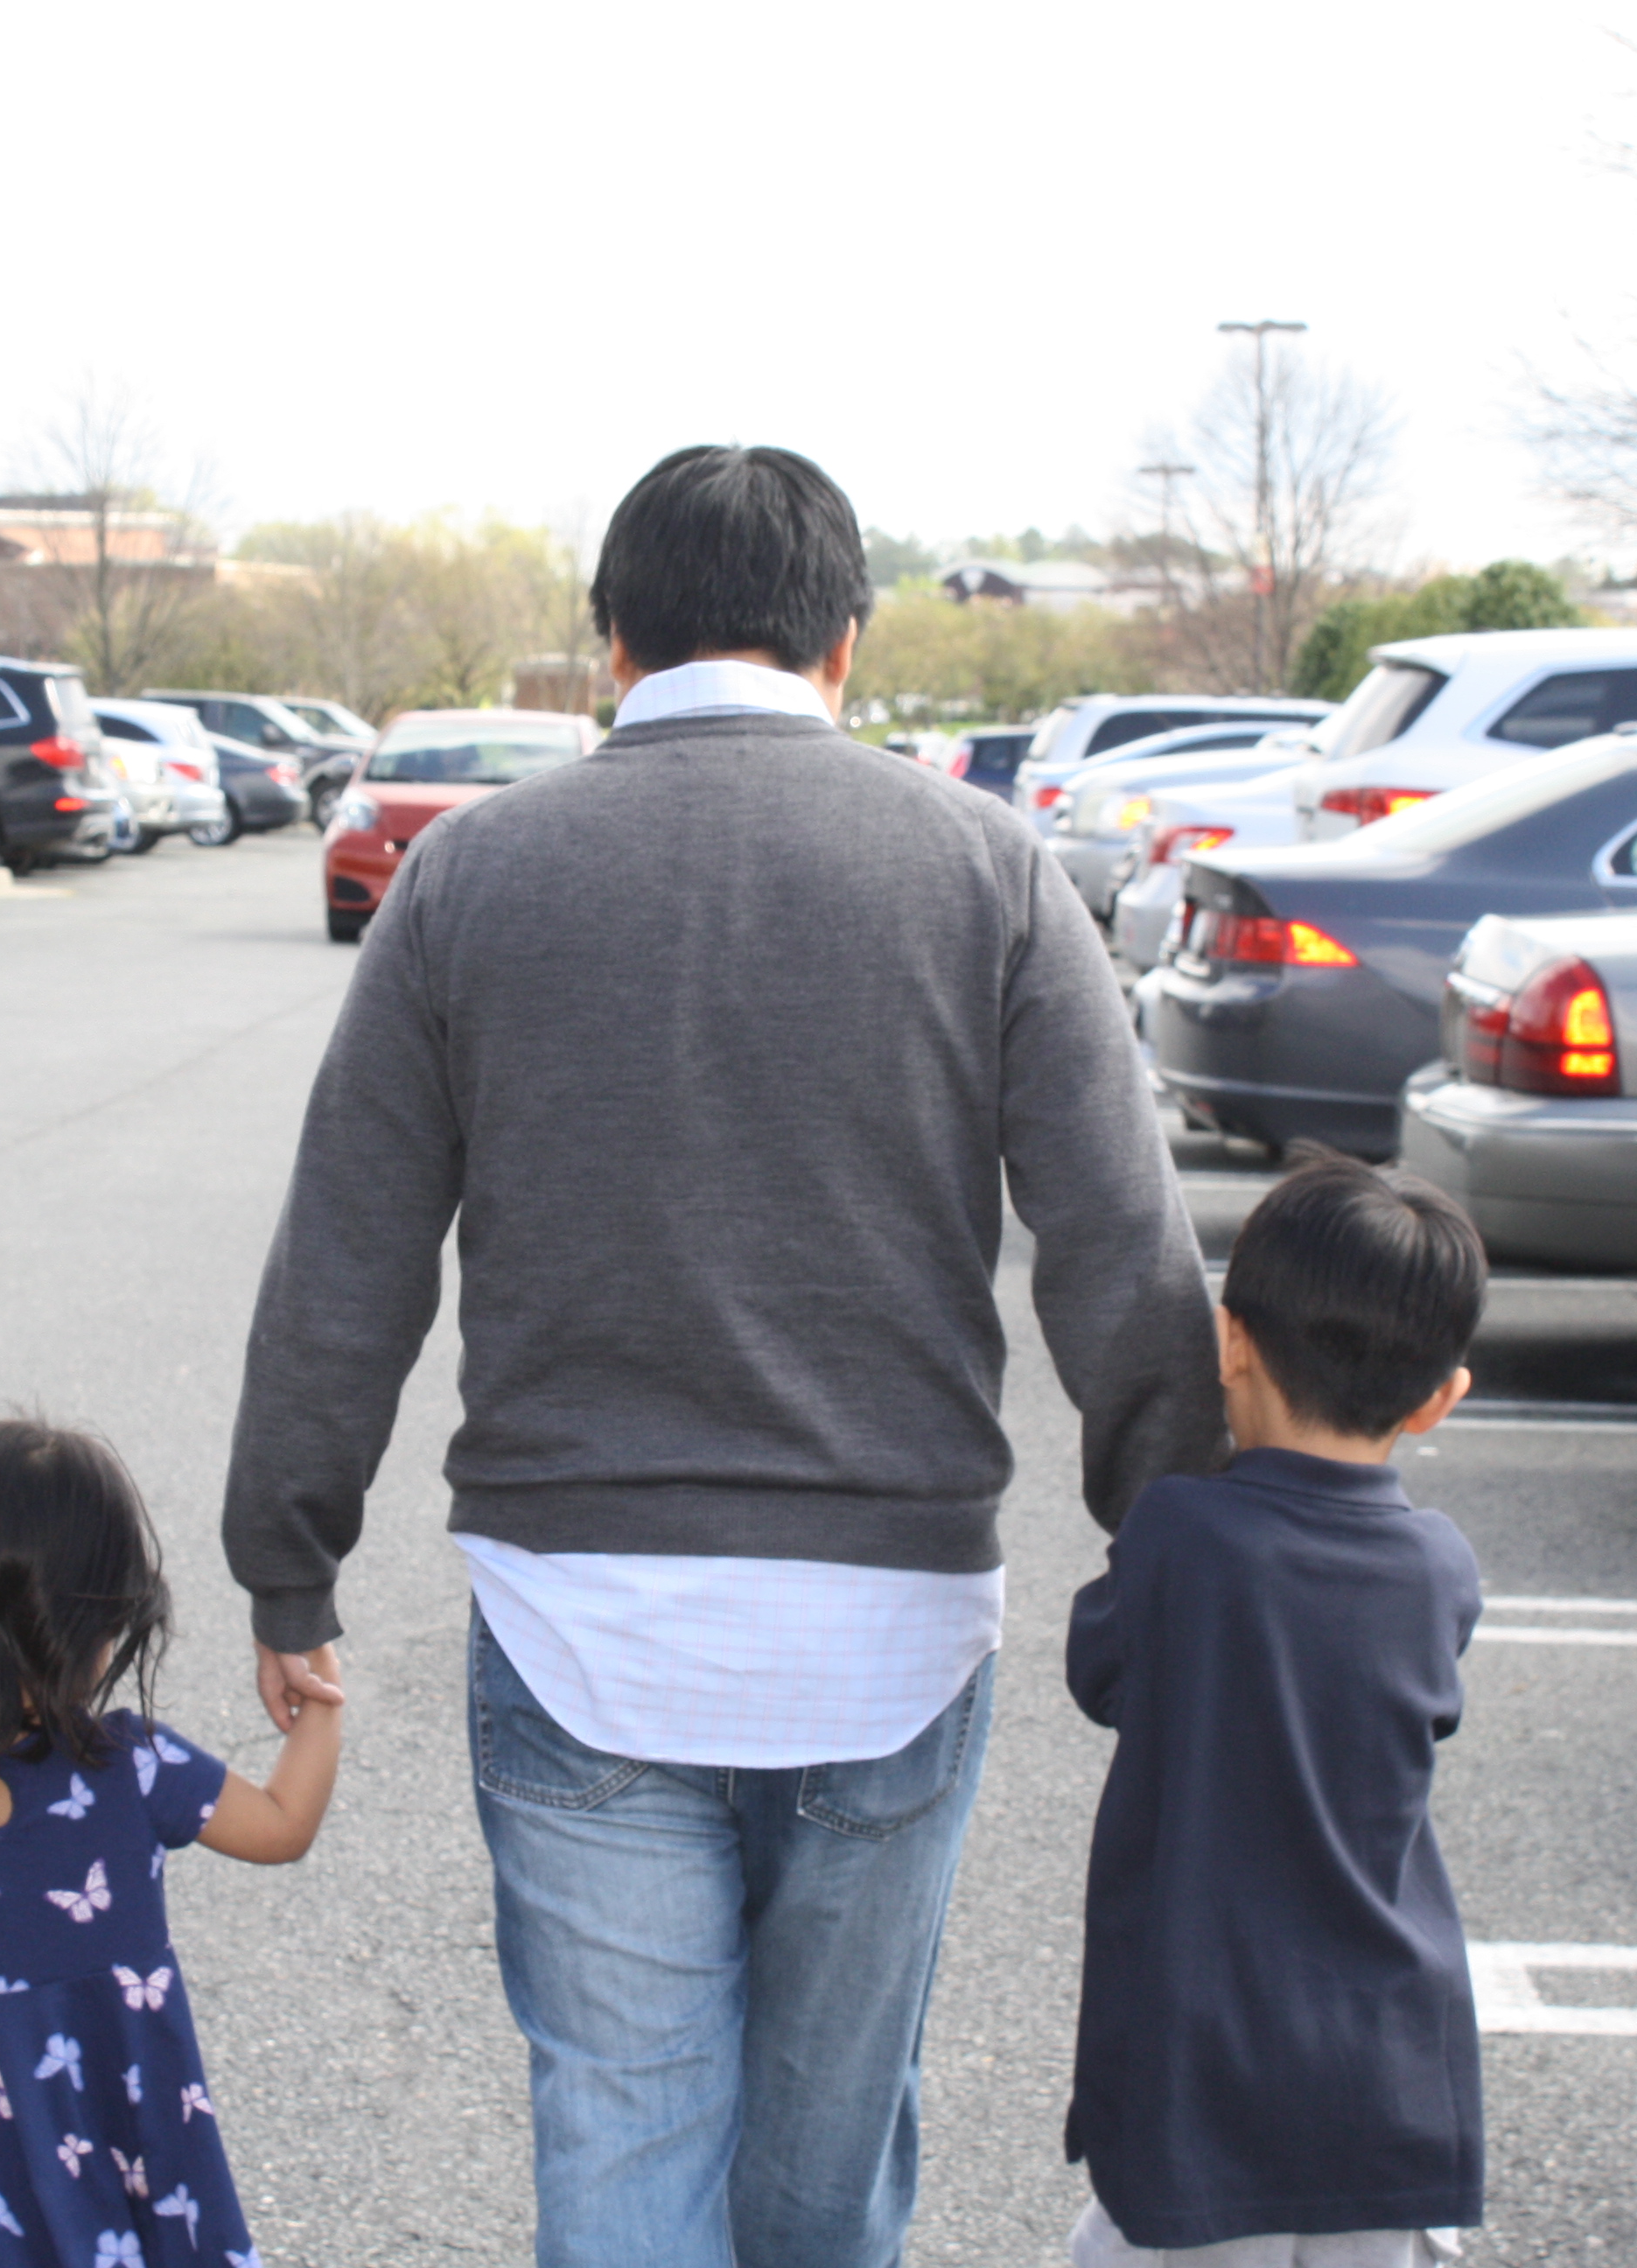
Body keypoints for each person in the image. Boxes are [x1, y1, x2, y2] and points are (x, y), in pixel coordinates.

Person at [220, 443, 1225, 2268]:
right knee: (826, 2177)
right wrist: (1189, 1554)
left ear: (612, 640)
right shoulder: (988, 870)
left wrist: (288, 1552)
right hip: (890, 1626)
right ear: (847, 641)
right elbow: (1119, 1242)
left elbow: (346, 1252)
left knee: (623, 2143)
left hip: (578, 1613)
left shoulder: (473, 879)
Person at [1062, 1155, 1488, 2268]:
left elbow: (1100, 1671)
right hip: (1385, 2065)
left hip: (1202, 2065)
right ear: (1442, 1397)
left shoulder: (1181, 1538)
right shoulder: (1440, 1569)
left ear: (1230, 1341)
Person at [0, 1419, 342, 2264]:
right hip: (130, 2127)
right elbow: (282, 1826)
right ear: (100, 1622)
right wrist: (322, 1696)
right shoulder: (134, 1766)